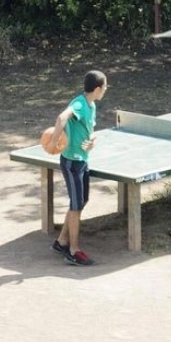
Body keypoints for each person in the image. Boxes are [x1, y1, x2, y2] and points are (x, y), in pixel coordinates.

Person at [47, 69, 108, 266]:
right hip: (72, 162)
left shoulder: (91, 106)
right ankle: (73, 251)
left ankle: (61, 241)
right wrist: (53, 143)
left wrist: (91, 141)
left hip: (82, 160)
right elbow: (61, 118)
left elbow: (89, 130)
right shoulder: (80, 104)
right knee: (76, 205)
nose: (106, 90)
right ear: (98, 89)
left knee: (82, 201)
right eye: (105, 87)